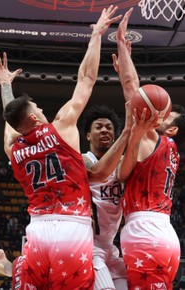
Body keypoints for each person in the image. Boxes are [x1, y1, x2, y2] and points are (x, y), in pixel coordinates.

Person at [0, 6, 123, 289]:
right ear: (35, 117)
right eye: (38, 107)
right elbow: (86, 80)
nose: (42, 109)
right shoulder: (61, 127)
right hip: (71, 227)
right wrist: (96, 35)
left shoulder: (15, 149)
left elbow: (12, 119)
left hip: (37, 231)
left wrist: (5, 86)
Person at [114, 8, 185, 289]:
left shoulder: (154, 137)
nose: (159, 114)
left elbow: (131, 88)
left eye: (166, 115)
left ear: (171, 129)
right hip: (163, 232)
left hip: (145, 231)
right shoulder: (170, 149)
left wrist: (121, 45)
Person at [81, 104, 131, 290]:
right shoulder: (83, 160)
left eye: (109, 128)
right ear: (88, 136)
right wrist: (127, 133)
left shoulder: (121, 165)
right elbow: (98, 171)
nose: (104, 130)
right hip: (89, 245)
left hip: (110, 247)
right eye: (99, 127)